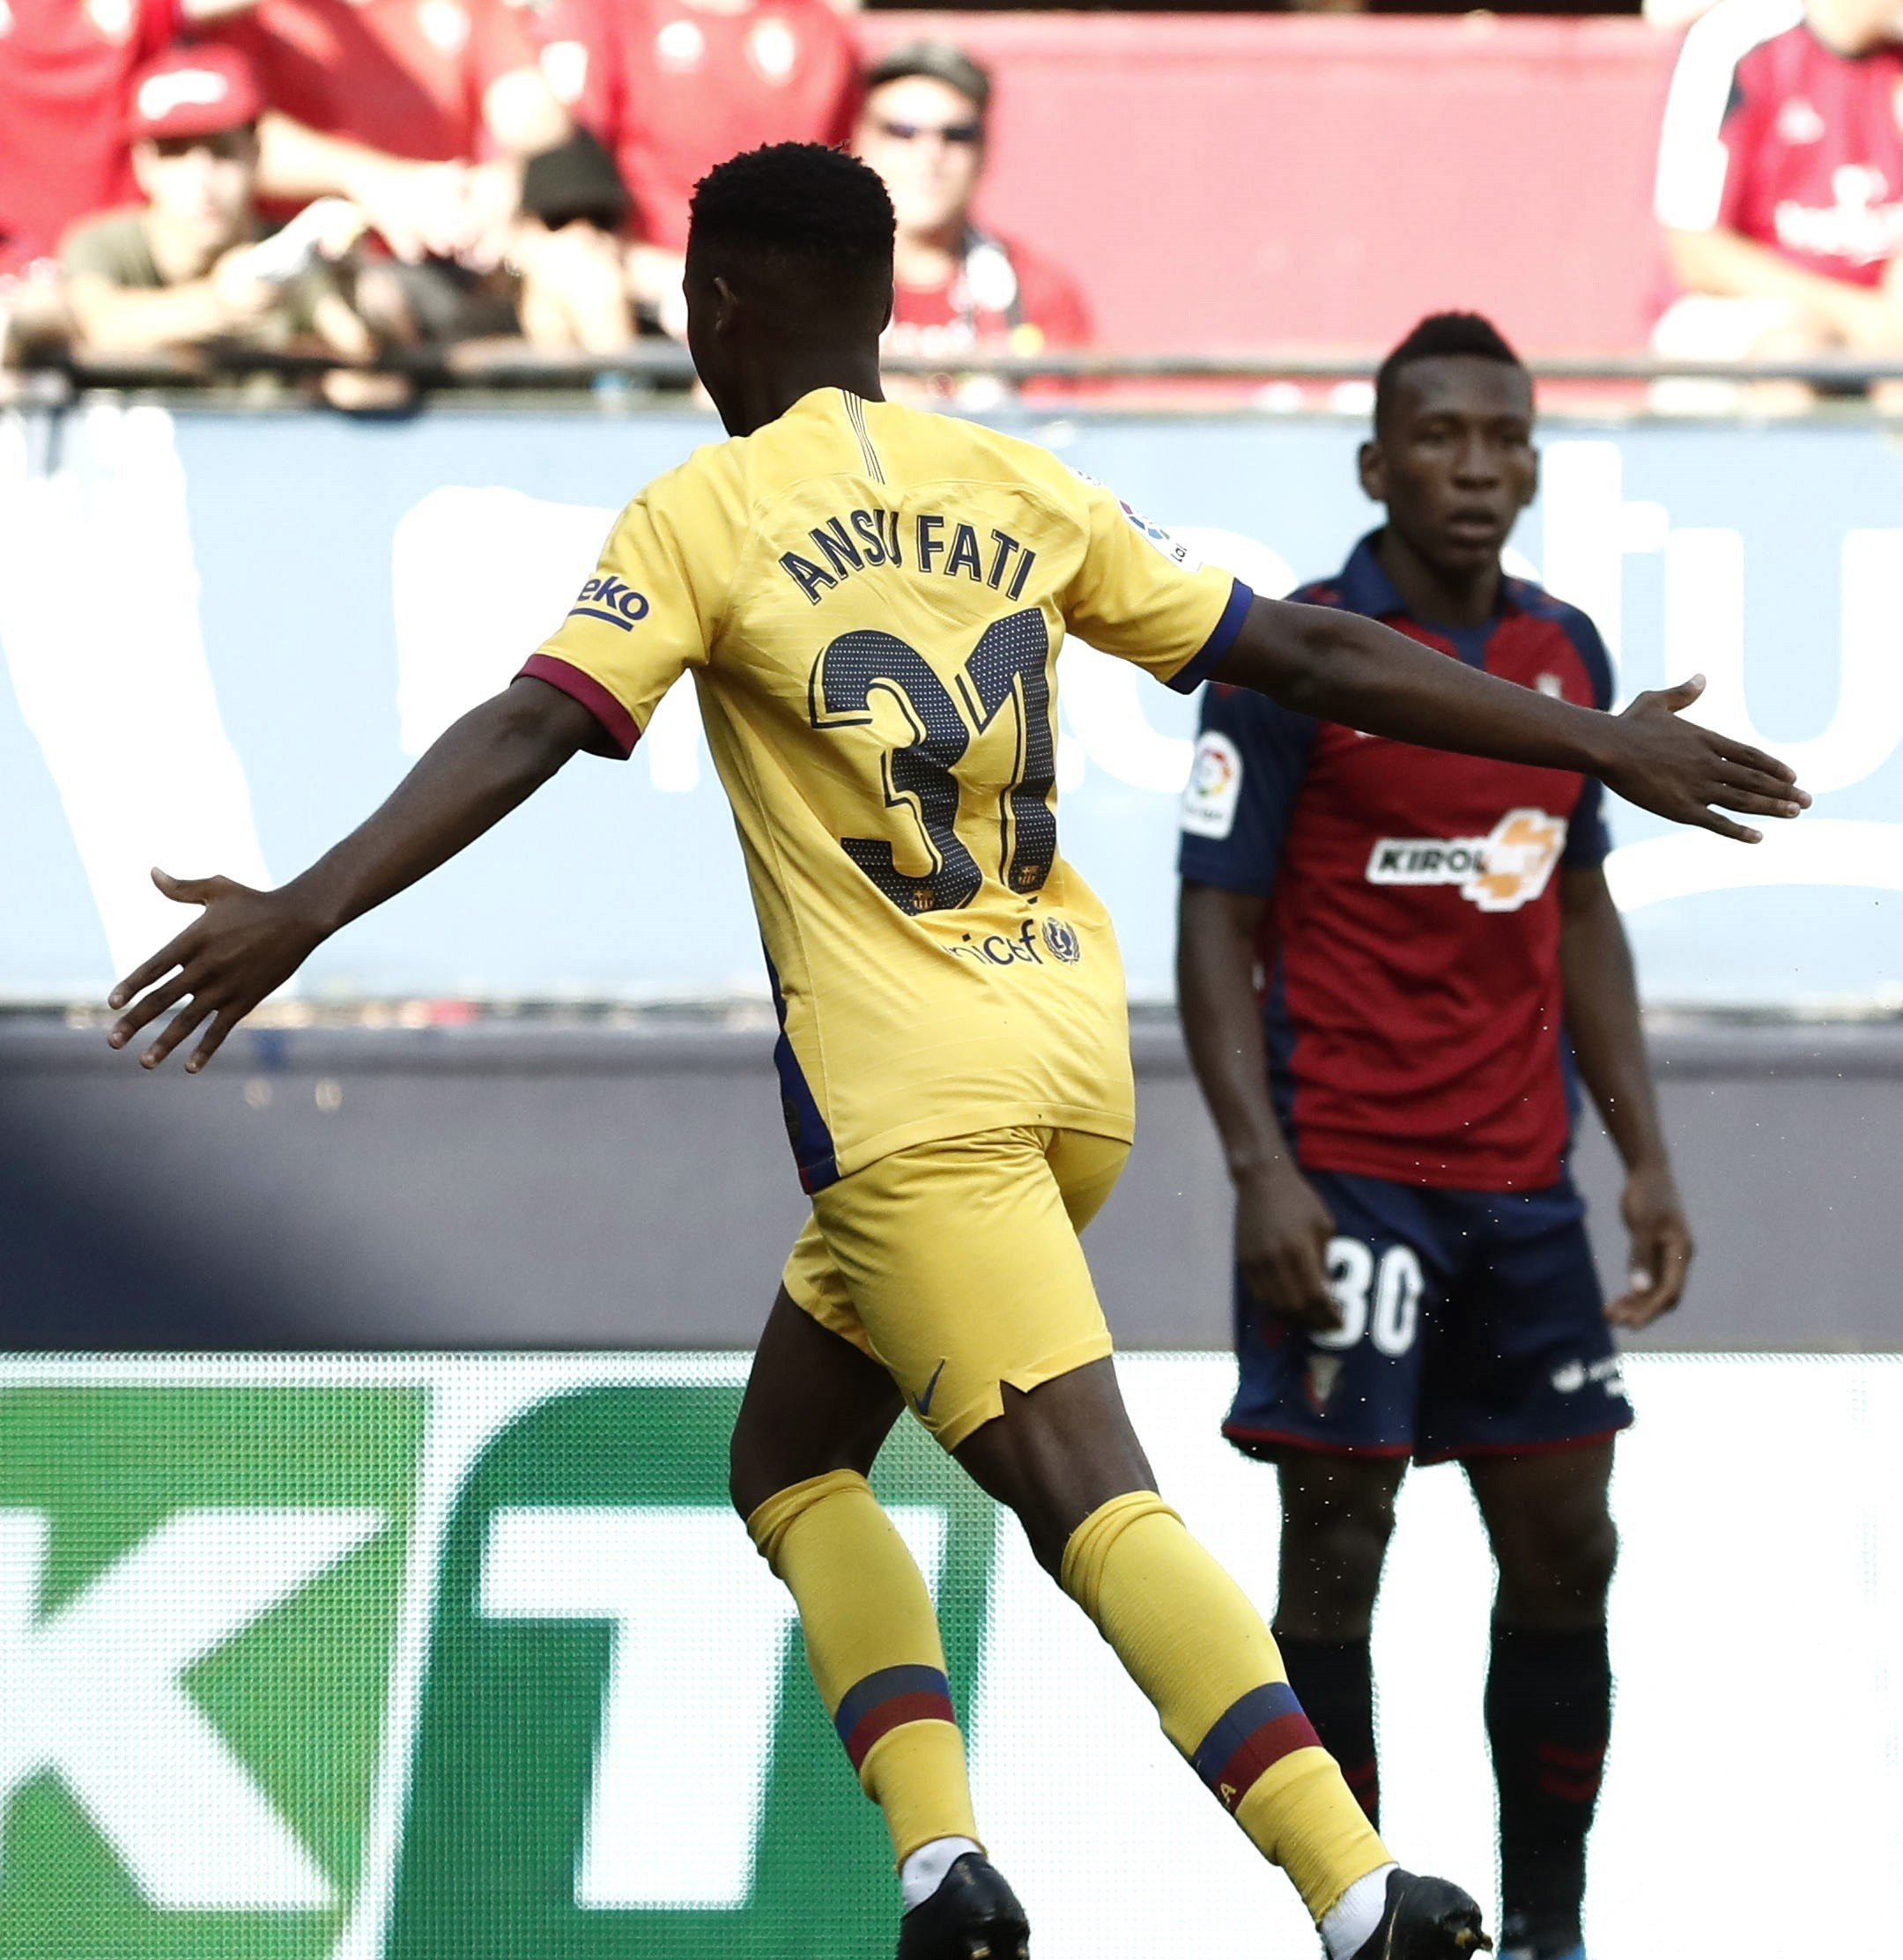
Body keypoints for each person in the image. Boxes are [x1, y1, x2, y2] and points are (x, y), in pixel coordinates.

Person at [102, 146, 1803, 1960]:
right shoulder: (1014, 483)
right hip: (1069, 1069)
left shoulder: (707, 511)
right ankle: (945, 1868)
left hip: (916, 1109)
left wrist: (304, 908)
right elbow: (1304, 647)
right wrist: (1585, 739)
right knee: (786, 1463)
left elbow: (539, 721)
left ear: (713, 312)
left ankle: (1360, 1888)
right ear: (893, 306)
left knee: (1088, 1492)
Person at [1178, 313, 1691, 1960]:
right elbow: (1211, 928)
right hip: (1346, 1180)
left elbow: (1581, 907)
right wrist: (1261, 1168)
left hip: (1524, 1194)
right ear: (1375, 465)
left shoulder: (1566, 656)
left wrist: (1646, 1157)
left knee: (1569, 1546)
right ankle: (1358, 1919)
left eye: (1507, 441)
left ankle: (1550, 1924)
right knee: (1337, 1555)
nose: (1480, 469)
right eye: (1445, 439)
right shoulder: (1297, 653)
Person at [523, 0, 858, 330]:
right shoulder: (610, 14)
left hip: (780, 288)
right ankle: (618, 385)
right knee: (571, 272)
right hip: (642, 274)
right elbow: (565, 176)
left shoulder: (820, 28)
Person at [60, 46, 381, 372]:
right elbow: (100, 323)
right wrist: (220, 302)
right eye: (175, 153)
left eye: (223, 151)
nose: (202, 181)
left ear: (255, 153)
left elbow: (358, 346)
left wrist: (349, 280)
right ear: (143, 163)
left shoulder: (289, 251)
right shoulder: (101, 244)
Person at [1653, 0, 1903, 399]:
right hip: (1748, 308)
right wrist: (1851, 312)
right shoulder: (1733, 39)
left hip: (1876, 318)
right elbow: (1694, 253)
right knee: (1795, 354)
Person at [853, 40, 1090, 399]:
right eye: (902, 132)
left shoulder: (1036, 295)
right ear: (858, 140)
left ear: (984, 152)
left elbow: (1073, 440)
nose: (930, 155)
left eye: (956, 135)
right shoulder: (801, 289)